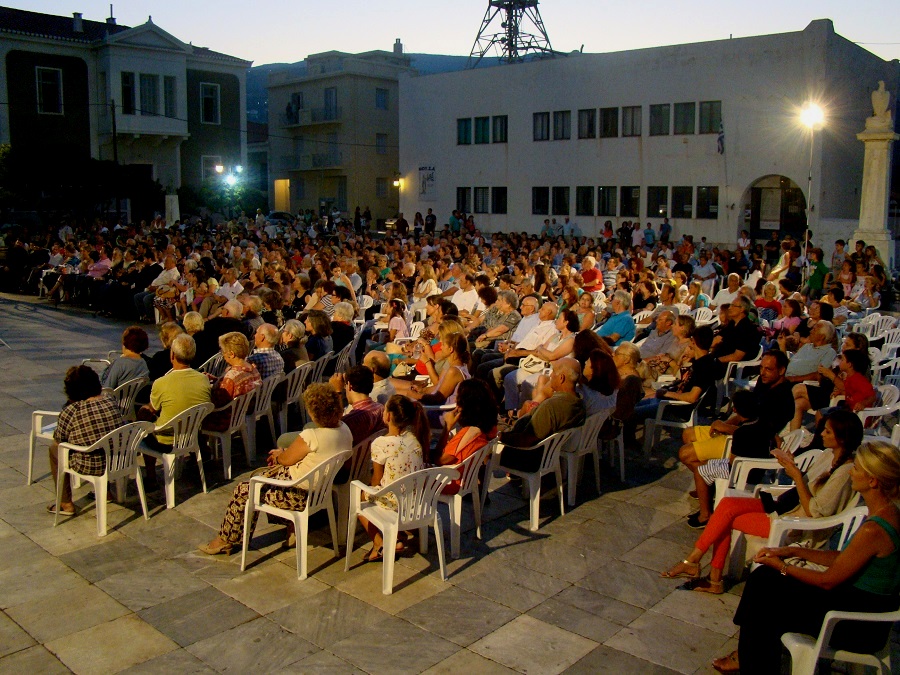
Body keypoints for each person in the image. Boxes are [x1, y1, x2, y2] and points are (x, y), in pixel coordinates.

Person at [715, 440, 900, 674]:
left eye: (856, 469)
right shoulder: (890, 513)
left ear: (872, 481)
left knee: (764, 595)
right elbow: (847, 558)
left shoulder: (875, 529)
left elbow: (827, 580)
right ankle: (750, 659)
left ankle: (750, 660)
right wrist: (793, 551)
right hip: (861, 607)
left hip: (856, 624)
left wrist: (781, 566)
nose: (851, 472)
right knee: (764, 583)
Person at [662, 409, 863, 595]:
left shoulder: (844, 473)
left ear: (842, 438)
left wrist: (797, 477)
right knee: (726, 505)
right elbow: (809, 486)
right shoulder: (828, 455)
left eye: (828, 431)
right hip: (785, 505)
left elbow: (815, 512)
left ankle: (702, 569)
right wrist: (792, 466)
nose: (822, 434)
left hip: (795, 522)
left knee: (723, 517)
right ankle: (700, 567)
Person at [198, 383, 353, 555]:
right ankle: (291, 528)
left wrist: (279, 455)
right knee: (261, 479)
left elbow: (286, 460)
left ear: (313, 412)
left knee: (243, 490)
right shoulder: (345, 430)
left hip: (298, 495)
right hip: (320, 491)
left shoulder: (311, 436)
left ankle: (225, 540)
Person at [679, 350, 795, 526]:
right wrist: (727, 421)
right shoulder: (765, 384)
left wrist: (727, 428)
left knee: (686, 454)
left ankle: (706, 489)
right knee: (688, 433)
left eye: (768, 369)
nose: (762, 372)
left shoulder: (782, 398)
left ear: (781, 371)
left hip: (748, 442)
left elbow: (761, 432)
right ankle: (707, 485)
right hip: (740, 431)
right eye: (761, 367)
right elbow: (747, 413)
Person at [357, 394, 430, 562]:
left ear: (388, 416)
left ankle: (379, 543)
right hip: (415, 499)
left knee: (360, 502)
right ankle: (398, 534)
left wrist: (366, 488)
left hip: (394, 501)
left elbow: (377, 479)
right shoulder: (416, 438)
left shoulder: (381, 443)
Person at [47, 365, 124, 516]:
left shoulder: (72, 410)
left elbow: (59, 440)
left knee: (54, 450)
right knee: (104, 441)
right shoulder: (110, 401)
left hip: (91, 465)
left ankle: (65, 503)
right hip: (118, 460)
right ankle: (106, 492)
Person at [139, 334, 212, 489]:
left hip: (166, 440)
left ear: (172, 355)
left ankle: (151, 478)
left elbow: (152, 408)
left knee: (144, 425)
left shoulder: (161, 383)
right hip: (192, 435)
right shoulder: (203, 379)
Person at [497, 358, 586, 471]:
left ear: (561, 378)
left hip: (527, 457)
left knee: (479, 439)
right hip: (548, 455)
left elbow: (526, 440)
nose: (551, 375)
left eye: (553, 372)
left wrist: (499, 436)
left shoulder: (551, 407)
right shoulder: (578, 402)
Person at [434, 379, 498, 489]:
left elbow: (439, 460)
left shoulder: (469, 433)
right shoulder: (490, 428)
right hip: (467, 477)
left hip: (451, 481)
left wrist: (447, 427)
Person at [202, 332, 262, 431]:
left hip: (227, 418)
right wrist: (218, 380)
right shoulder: (252, 368)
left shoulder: (231, 377)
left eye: (223, 351)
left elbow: (218, 402)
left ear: (231, 354)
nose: (222, 353)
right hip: (243, 413)